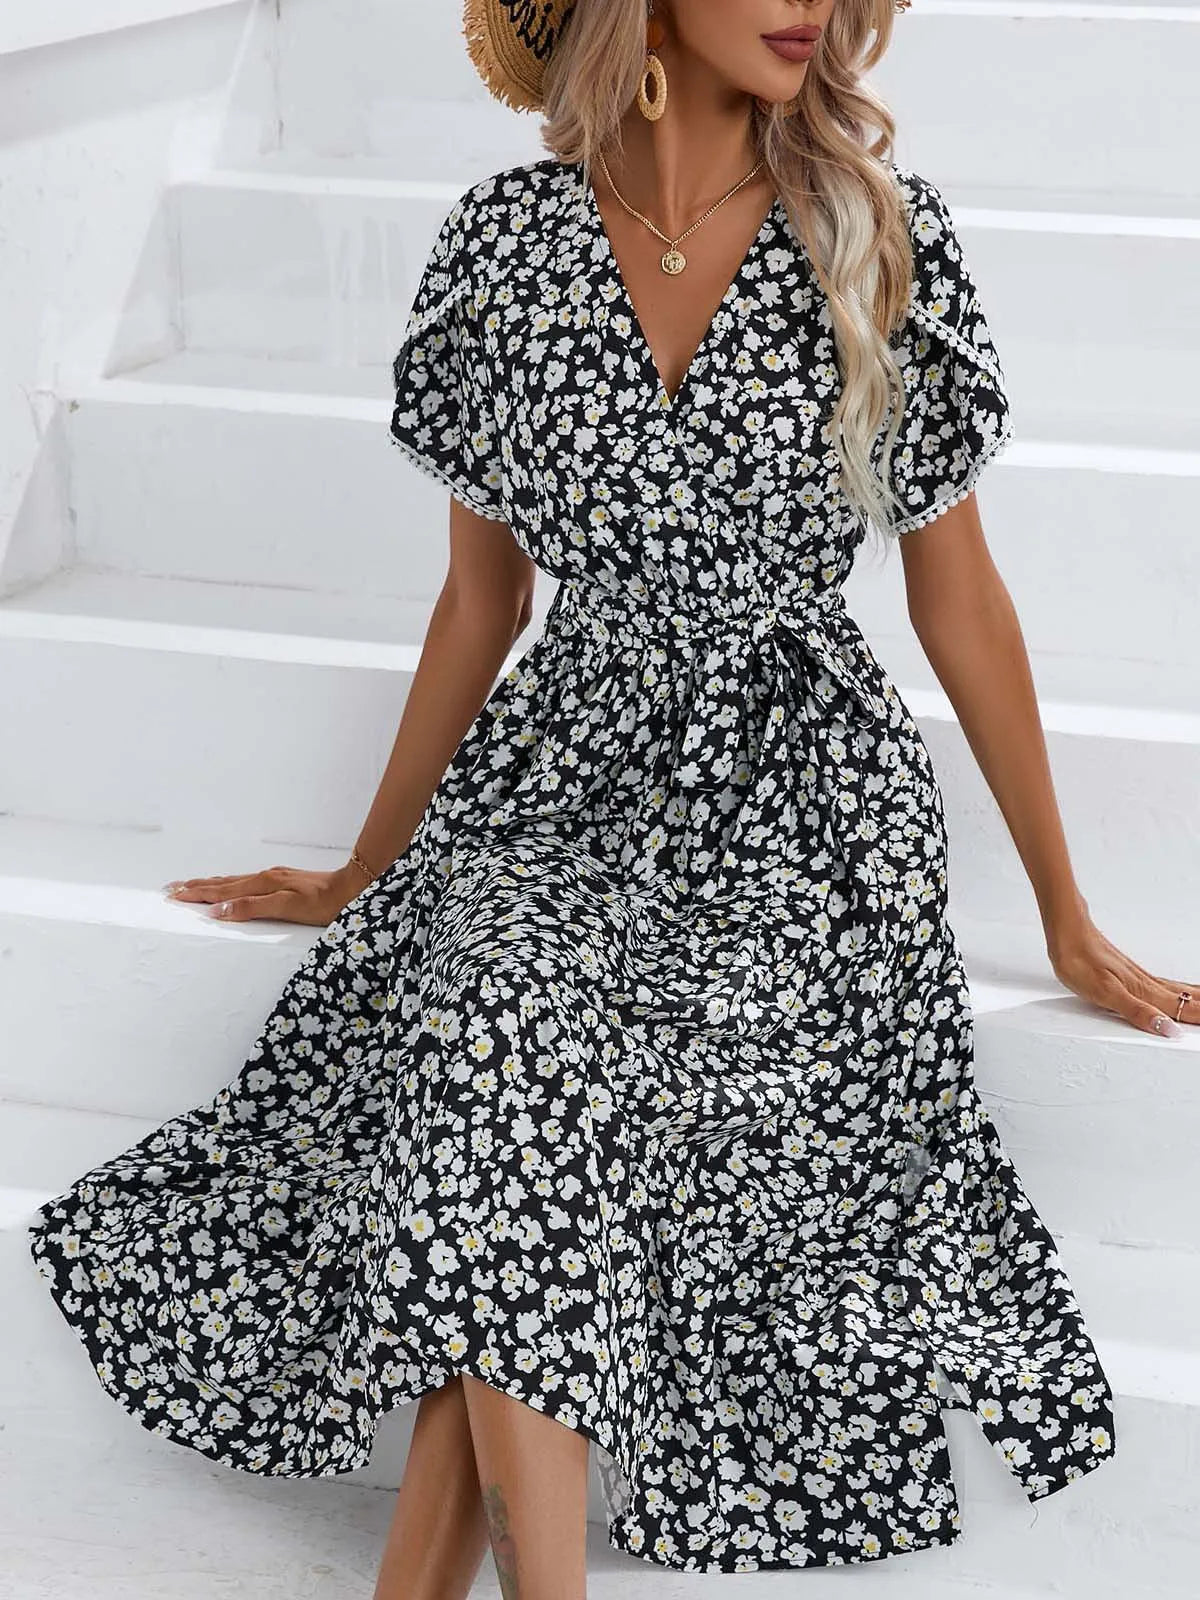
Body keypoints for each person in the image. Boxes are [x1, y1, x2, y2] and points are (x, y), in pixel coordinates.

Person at [26, 1, 1198, 1596]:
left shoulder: (873, 230)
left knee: (533, 1089)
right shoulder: (506, 245)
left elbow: (961, 602)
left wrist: (1065, 912)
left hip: (803, 800)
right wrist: (371, 865)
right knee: (505, 1011)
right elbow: (481, 602)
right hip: (565, 771)